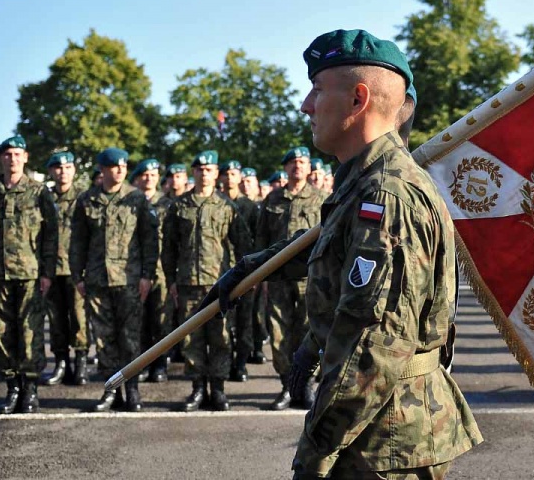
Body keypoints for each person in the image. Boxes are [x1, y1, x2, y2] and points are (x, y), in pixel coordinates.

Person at [204, 29, 482, 478]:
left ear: (358, 100)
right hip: (378, 429)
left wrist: (315, 453)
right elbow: (332, 254)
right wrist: (251, 272)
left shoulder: (386, 194)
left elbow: (373, 347)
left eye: (317, 90)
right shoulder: (363, 182)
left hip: (383, 438)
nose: (305, 105)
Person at [0, 136, 58, 414]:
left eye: (17, 154)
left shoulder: (38, 192)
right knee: (4, 333)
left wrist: (47, 272)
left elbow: (50, 236)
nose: (12, 159)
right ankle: (13, 387)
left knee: (30, 332)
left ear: (26, 157)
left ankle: (30, 388)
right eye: (7, 154)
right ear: (1, 158)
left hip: (31, 275)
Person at [163, 150, 249, 412]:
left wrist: (242, 279)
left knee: (221, 337)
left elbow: (243, 244)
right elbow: (169, 247)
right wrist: (171, 280)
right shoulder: (179, 206)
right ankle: (198, 387)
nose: (204, 173)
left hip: (220, 285)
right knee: (192, 338)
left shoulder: (227, 207)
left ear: (215, 174)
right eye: (199, 168)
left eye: (209, 169)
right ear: (194, 172)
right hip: (188, 282)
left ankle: (219, 389)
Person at [72, 148, 158, 412]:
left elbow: (149, 240)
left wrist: (147, 275)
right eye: (114, 166)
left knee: (130, 338)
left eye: (123, 166)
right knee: (105, 339)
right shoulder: (87, 200)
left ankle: (131, 389)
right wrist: (78, 275)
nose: (120, 170)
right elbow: (78, 242)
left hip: (129, 280)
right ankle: (110, 391)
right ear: (102, 169)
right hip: (98, 280)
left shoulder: (136, 199)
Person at [254, 145, 326, 410]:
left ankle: (306, 384)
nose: (298, 166)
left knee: (310, 331)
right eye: (293, 162)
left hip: (312, 277)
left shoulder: (321, 199)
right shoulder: (272, 201)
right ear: (285, 167)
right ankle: (287, 385)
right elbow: (261, 241)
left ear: (309, 168)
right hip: (278, 278)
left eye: (303, 162)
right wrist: (260, 275)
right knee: (279, 332)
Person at [41, 151, 90, 386]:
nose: (63, 172)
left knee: (79, 318)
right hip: (51, 268)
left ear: (74, 171)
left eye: (68, 167)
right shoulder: (44, 198)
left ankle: (81, 363)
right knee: (56, 319)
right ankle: (62, 362)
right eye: (58, 168)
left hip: (77, 269)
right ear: (51, 171)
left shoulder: (84, 197)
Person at [131, 158, 176, 383]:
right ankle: (141, 364)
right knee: (138, 321)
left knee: (160, 320)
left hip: (160, 270)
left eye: (153, 174)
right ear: (137, 178)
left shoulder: (167, 204)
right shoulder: (130, 202)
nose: (149, 178)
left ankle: (160, 364)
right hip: (134, 269)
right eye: (144, 175)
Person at [220, 159, 260, 383]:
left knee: (244, 319)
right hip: (221, 269)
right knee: (223, 319)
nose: (229, 178)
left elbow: (256, 240)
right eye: (225, 174)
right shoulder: (217, 202)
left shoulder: (249, 206)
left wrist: (255, 272)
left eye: (233, 174)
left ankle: (241, 363)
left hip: (244, 271)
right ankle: (224, 362)